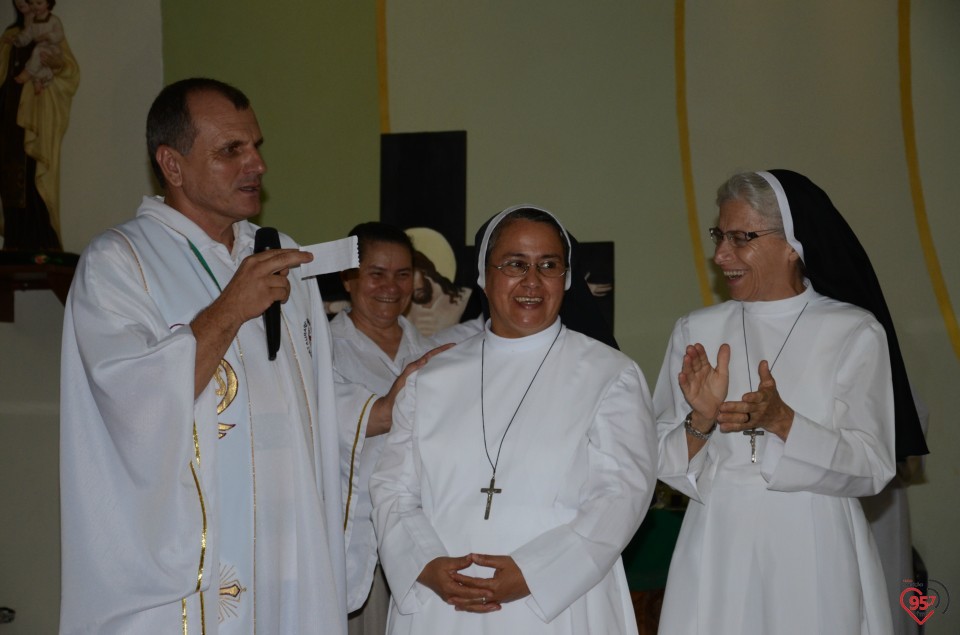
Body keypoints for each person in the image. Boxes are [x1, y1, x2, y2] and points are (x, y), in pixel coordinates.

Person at [60, 78, 366, 634]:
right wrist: (229, 309)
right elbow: (130, 406)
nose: (257, 165)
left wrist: (385, 408)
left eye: (257, 146)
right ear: (171, 165)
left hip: (288, 554)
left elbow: (303, 405)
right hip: (193, 568)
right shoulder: (119, 263)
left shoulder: (275, 254)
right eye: (231, 150)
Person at [655, 169, 926, 634]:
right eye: (720, 235)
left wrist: (785, 421)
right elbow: (659, 457)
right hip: (719, 536)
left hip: (814, 538)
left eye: (742, 238)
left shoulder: (852, 331)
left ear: (793, 244)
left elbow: (873, 464)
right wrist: (701, 420)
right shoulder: (695, 331)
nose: (721, 254)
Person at [370, 204, 657, 634]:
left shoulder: (609, 374)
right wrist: (426, 565)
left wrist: (535, 573)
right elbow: (392, 488)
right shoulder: (430, 377)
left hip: (558, 603)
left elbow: (622, 495)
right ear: (484, 276)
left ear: (566, 276)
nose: (532, 281)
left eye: (549, 265)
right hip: (444, 606)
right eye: (515, 264)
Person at [331, 222, 439, 635]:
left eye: (402, 274)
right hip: (350, 542)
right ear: (348, 277)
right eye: (376, 273)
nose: (390, 287)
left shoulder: (434, 355)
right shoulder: (318, 352)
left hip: (421, 543)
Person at [0, 0, 78, 250]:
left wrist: (54, 64)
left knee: (35, 175)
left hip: (36, 118)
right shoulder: (11, 36)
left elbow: (69, 71)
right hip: (10, 116)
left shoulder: (49, 30)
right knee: (11, 178)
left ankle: (43, 239)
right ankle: (15, 240)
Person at [6, 0, 62, 94]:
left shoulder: (53, 20)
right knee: (38, 58)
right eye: (31, 3)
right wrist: (17, 39)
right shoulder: (33, 22)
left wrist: (48, 36)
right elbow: (26, 35)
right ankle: (38, 81)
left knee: (38, 50)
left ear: (48, 3)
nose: (34, 6)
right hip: (40, 51)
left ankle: (27, 73)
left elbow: (59, 35)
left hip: (52, 49)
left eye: (39, 3)